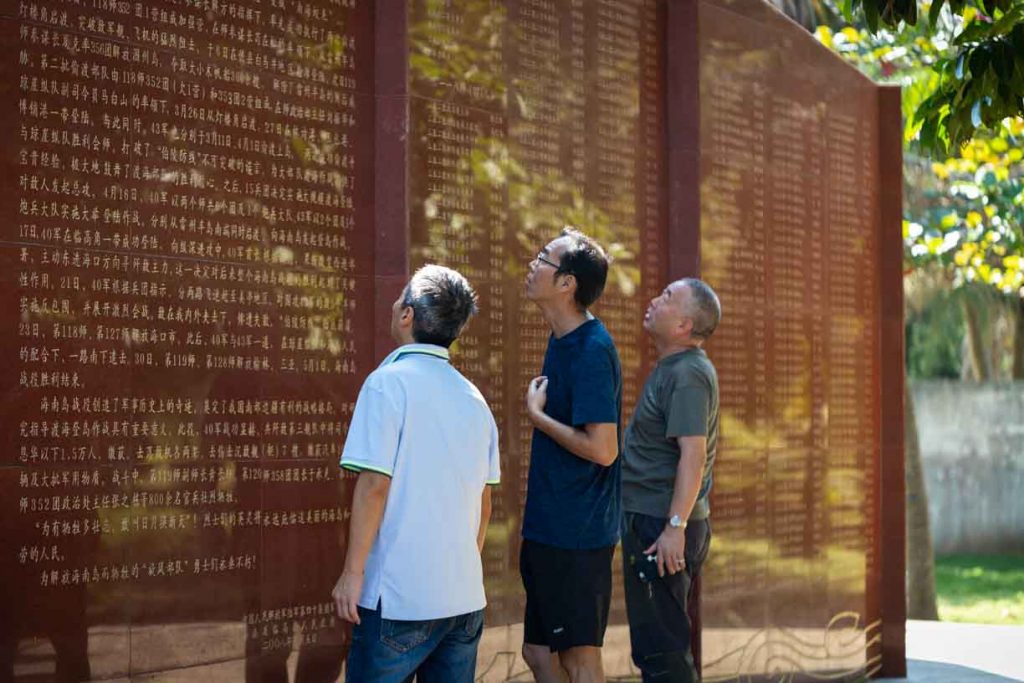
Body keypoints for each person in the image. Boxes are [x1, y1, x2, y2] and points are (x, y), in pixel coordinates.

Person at [332, 265, 500, 683]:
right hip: (463, 601)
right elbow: (485, 500)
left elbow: (374, 485)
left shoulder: (387, 384)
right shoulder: (474, 398)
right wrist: (459, 567)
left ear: (407, 315)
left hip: (398, 600)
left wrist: (352, 574)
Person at [520, 228, 623, 683]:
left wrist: (538, 419)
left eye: (544, 257)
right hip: (549, 525)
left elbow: (604, 450)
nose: (532, 263)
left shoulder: (592, 350)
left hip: (577, 534)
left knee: (579, 658)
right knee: (538, 653)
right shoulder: (561, 338)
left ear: (567, 284)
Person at [620, 278, 721, 682]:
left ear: (683, 325)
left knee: (662, 653)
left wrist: (674, 527)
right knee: (656, 647)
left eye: (666, 298)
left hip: (661, 526)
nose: (653, 300)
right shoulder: (675, 368)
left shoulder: (689, 374)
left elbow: (692, 455)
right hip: (654, 522)